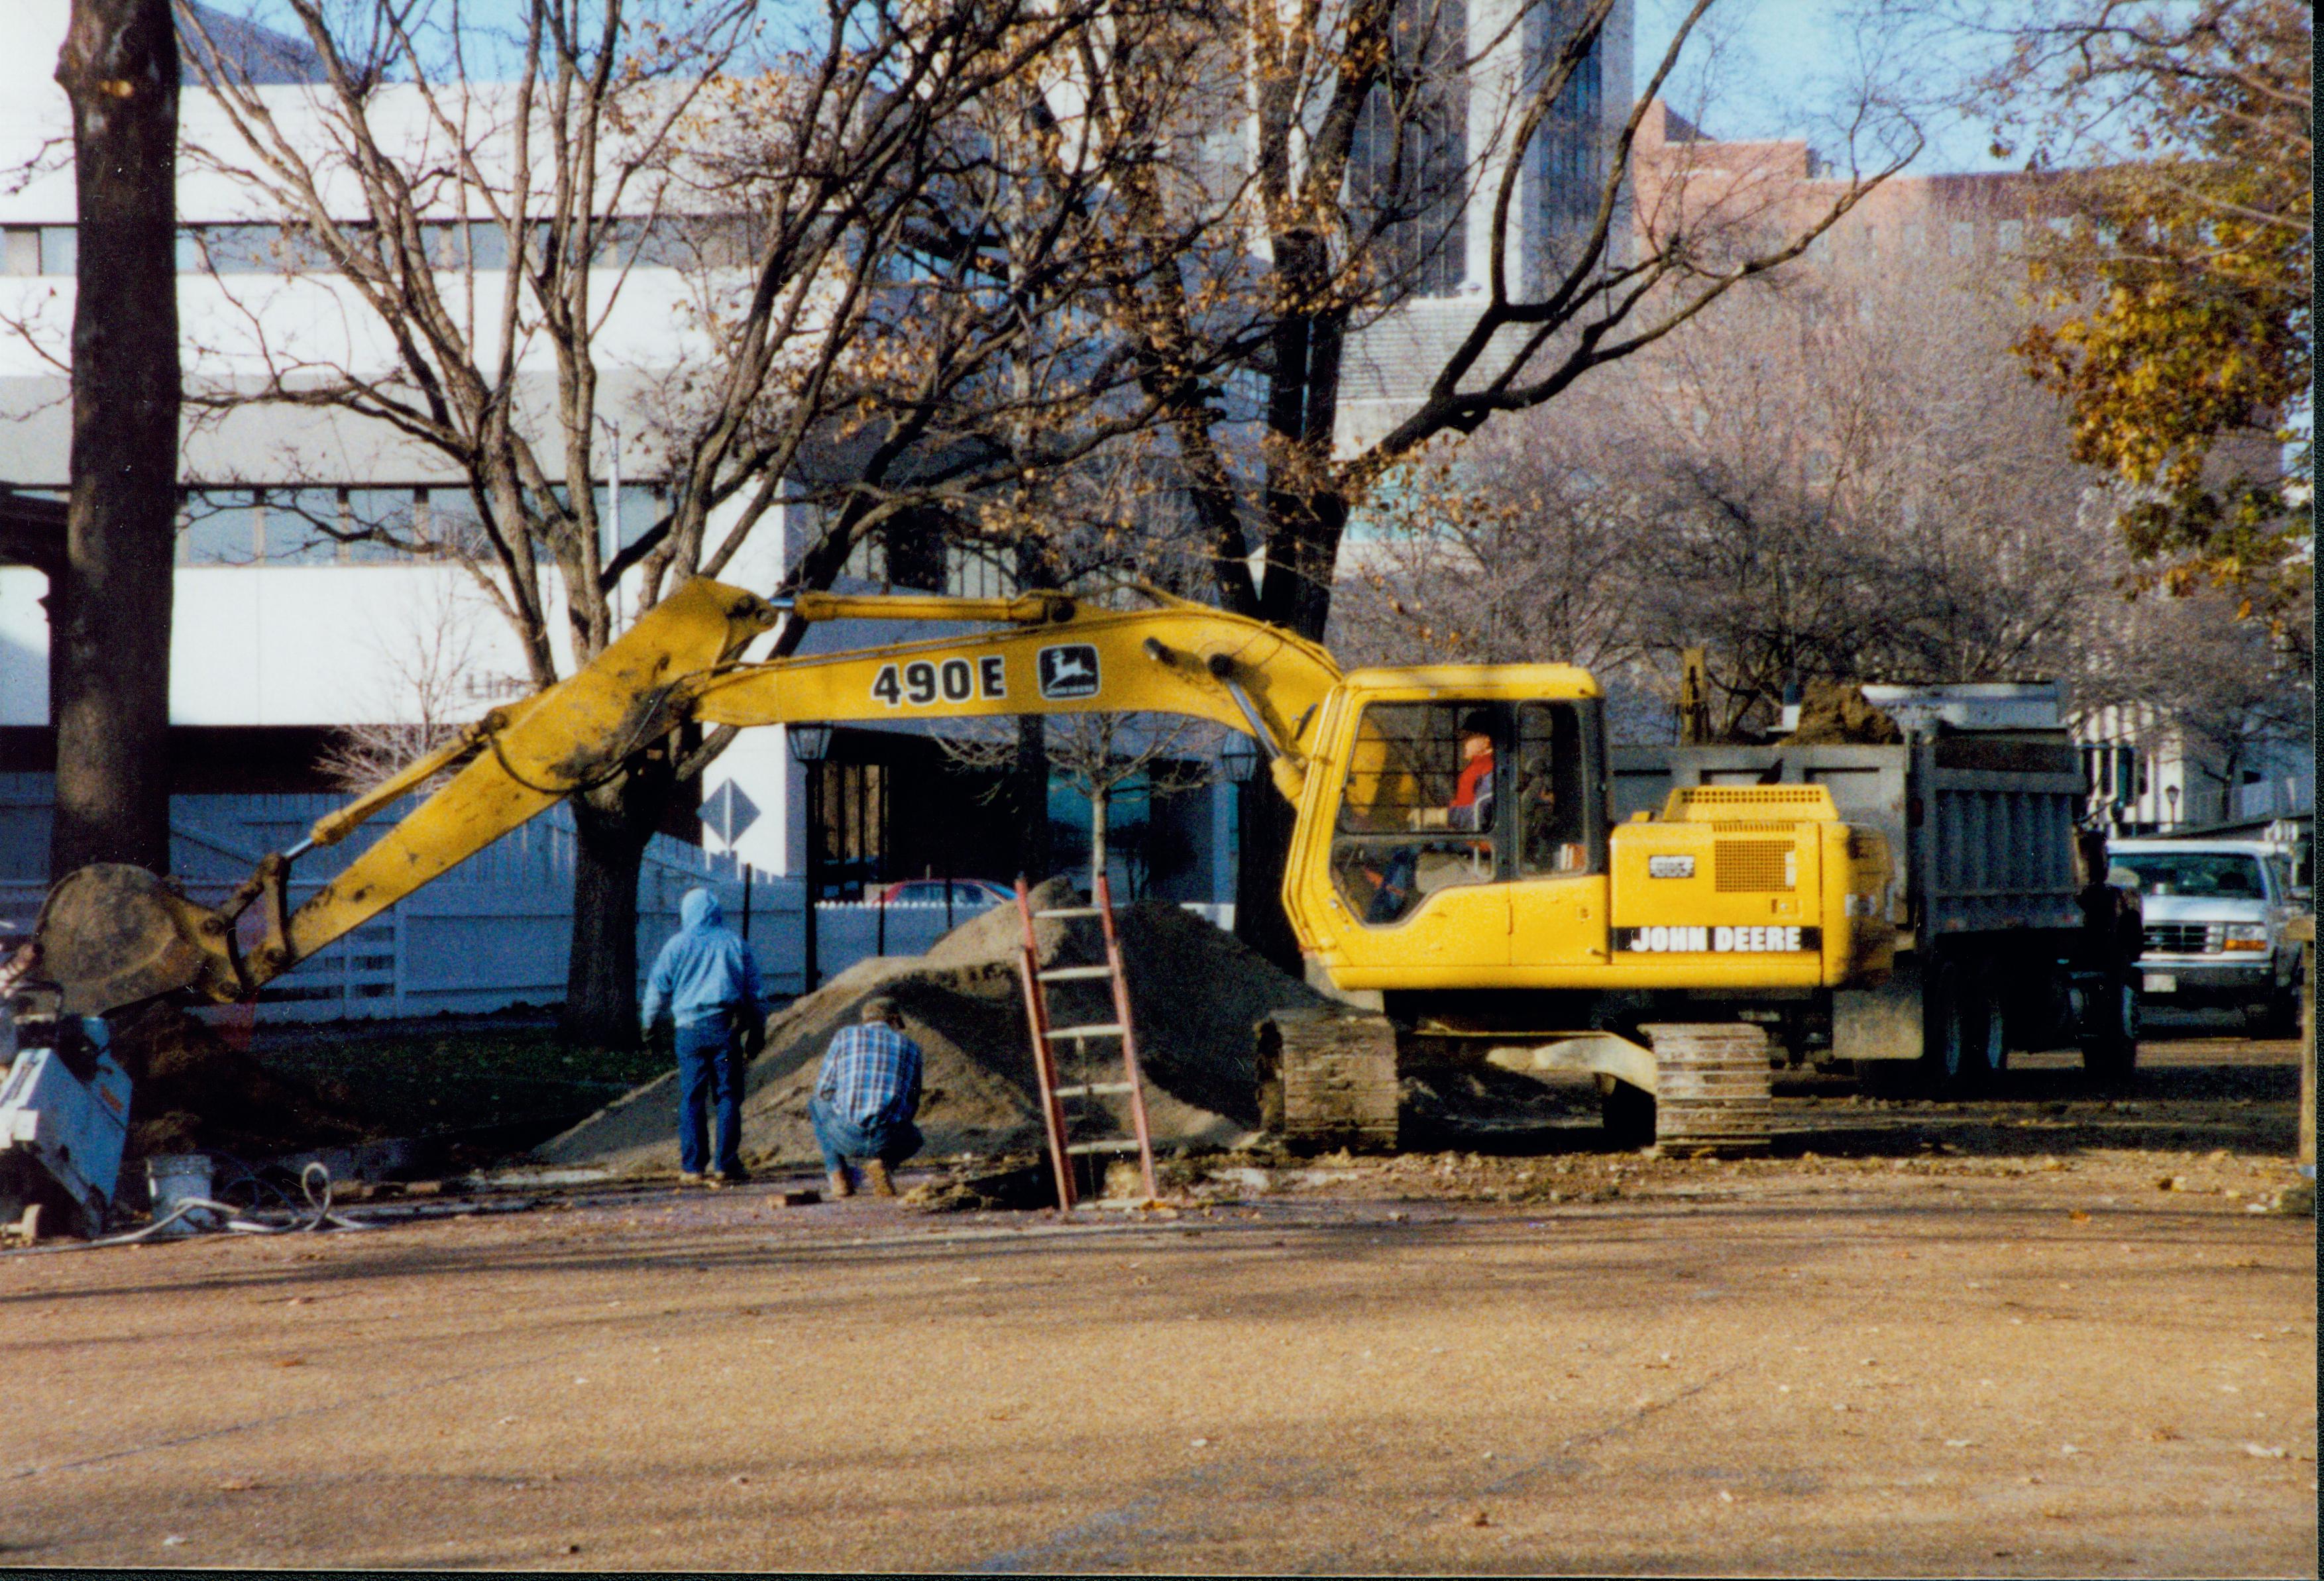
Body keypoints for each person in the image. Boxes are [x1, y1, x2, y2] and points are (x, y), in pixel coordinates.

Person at [641, 887, 763, 1187]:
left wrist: (649, 1026)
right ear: (716, 912)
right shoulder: (734, 943)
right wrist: (758, 1030)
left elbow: (657, 989)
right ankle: (726, 1164)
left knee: (692, 1095)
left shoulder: (676, 945)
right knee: (727, 1094)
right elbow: (756, 993)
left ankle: (693, 1166)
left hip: (689, 1034)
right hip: (725, 1031)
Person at [1365, 710, 1497, 923]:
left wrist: (1439, 816)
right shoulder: (1480, 768)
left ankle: (1382, 916)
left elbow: (1480, 817)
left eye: (1468, 738)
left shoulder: (1492, 772)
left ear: (1486, 740)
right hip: (1469, 837)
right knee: (1408, 846)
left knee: (1409, 849)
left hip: (1481, 843)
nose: (1462, 743)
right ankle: (1393, 901)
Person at [810, 997, 924, 1199]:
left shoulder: (845, 1036)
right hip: (889, 1140)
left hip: (847, 1136)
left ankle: (838, 1176)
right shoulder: (912, 1047)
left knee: (815, 1104)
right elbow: (913, 1100)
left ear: (865, 1019)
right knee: (916, 1138)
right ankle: (884, 1165)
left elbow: (824, 1090)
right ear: (894, 1020)